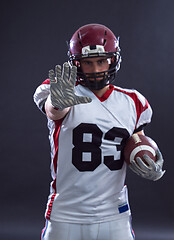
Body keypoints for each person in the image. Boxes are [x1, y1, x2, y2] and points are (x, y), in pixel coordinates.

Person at [33, 23, 165, 240]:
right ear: (77, 64)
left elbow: (136, 140)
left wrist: (149, 159)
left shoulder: (133, 101)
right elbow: (54, 111)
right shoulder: (63, 90)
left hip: (114, 214)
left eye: (101, 61)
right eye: (87, 63)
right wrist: (58, 102)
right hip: (66, 214)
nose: (95, 70)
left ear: (113, 60)